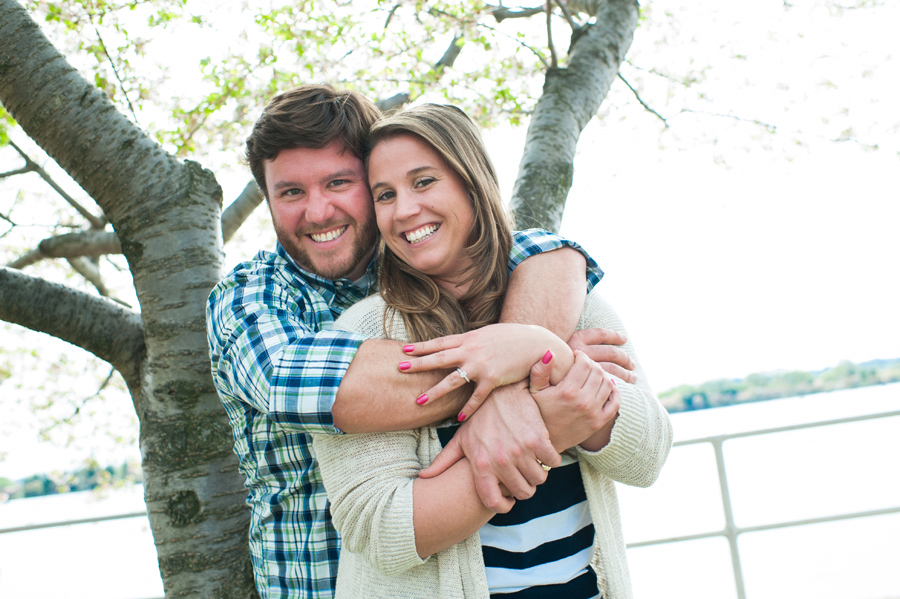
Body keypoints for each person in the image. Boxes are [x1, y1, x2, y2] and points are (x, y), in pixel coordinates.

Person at [206, 84, 636, 598]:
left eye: (339, 183)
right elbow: (303, 386)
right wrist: (540, 372)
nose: (318, 212)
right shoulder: (249, 298)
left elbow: (552, 254)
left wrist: (531, 356)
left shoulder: (428, 254)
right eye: (291, 192)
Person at [312, 104, 673, 599]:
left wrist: (542, 350)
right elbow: (380, 531)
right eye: (385, 195)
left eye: (424, 182)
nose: (404, 210)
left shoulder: (574, 302)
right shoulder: (363, 334)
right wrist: (550, 417)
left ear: (471, 180)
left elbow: (648, 455)